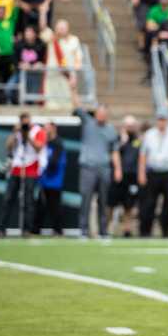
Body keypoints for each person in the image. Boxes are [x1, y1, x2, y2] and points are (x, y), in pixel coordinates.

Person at [71, 82, 120, 238]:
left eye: (104, 113)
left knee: (103, 201)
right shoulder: (88, 123)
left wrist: (117, 168)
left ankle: (103, 231)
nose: (101, 116)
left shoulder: (111, 130)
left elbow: (114, 151)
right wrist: (73, 88)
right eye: (99, 113)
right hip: (88, 168)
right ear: (96, 114)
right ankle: (83, 230)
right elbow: (78, 106)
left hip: (104, 168)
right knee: (86, 199)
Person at [139, 111, 168, 237]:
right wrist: (141, 172)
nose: (161, 122)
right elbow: (143, 155)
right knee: (150, 203)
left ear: (167, 120)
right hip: (153, 173)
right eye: (159, 119)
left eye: (163, 119)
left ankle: (166, 230)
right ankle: (146, 231)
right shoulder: (149, 134)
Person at [0, 112, 45, 236]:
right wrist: (15, 133)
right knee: (8, 199)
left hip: (31, 168)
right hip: (17, 167)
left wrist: (28, 135)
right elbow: (8, 147)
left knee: (28, 200)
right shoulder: (17, 132)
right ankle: (1, 228)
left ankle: (26, 229)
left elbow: (39, 148)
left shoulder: (37, 130)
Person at [111, 117, 143, 238]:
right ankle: (108, 228)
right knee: (112, 203)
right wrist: (122, 142)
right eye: (128, 125)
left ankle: (127, 229)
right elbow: (114, 153)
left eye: (132, 125)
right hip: (119, 177)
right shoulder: (118, 139)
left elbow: (141, 156)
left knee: (129, 205)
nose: (130, 128)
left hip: (132, 177)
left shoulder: (137, 140)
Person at [37, 122, 67, 236]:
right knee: (40, 205)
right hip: (44, 179)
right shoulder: (45, 143)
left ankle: (58, 230)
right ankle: (35, 229)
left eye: (48, 128)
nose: (46, 130)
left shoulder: (58, 143)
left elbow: (54, 162)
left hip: (54, 180)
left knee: (55, 206)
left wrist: (45, 168)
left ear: (54, 128)